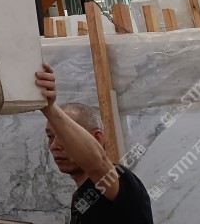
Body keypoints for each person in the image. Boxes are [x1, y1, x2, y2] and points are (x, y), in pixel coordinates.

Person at [35, 62, 153, 222]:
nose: (54, 146)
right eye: (50, 137)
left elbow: (98, 164)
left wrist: (49, 109)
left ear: (97, 139)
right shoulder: (81, 195)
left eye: (64, 136)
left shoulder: (118, 178)